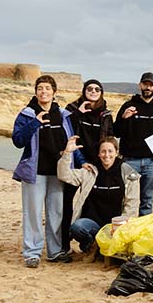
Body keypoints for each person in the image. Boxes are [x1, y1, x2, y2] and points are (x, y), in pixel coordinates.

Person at [11, 75, 76, 267]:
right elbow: (17, 140)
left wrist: (81, 162)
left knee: (56, 213)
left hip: (58, 173)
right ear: (36, 92)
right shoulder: (27, 114)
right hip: (35, 172)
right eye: (40, 88)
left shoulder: (63, 115)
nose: (44, 91)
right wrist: (35, 123)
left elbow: (71, 142)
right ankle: (32, 253)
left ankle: (55, 251)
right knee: (32, 213)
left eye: (47, 88)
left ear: (54, 92)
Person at [57, 135, 139, 259]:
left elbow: (132, 203)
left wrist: (120, 226)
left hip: (115, 225)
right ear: (99, 154)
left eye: (110, 151)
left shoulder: (127, 173)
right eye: (103, 151)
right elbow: (64, 175)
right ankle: (92, 246)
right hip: (93, 224)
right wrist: (67, 153)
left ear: (117, 152)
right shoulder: (90, 171)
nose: (107, 155)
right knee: (77, 227)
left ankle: (103, 249)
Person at [61, 79, 114, 256]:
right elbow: (66, 132)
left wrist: (107, 161)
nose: (93, 91)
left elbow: (109, 138)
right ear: (84, 91)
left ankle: (89, 242)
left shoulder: (106, 113)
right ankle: (64, 244)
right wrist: (78, 113)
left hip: (97, 165)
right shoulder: (72, 108)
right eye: (89, 88)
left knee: (91, 202)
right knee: (66, 203)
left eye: (97, 89)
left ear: (101, 92)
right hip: (76, 162)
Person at [114, 72, 153, 216]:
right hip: (129, 160)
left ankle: (143, 227)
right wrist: (124, 118)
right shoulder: (128, 106)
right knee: (126, 198)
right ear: (140, 85)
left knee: (147, 200)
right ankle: (125, 226)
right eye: (145, 84)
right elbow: (116, 132)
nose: (148, 87)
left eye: (151, 85)